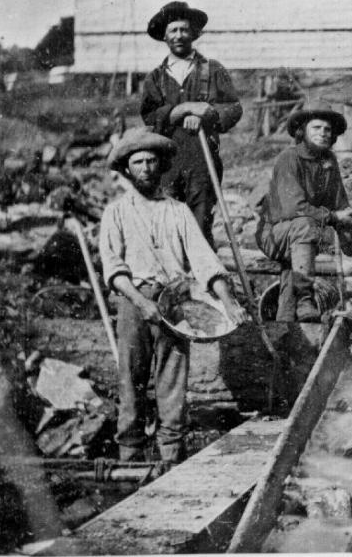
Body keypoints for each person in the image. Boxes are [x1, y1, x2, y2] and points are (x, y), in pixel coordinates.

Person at [99, 127, 249, 463]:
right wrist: (142, 303)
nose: (146, 168)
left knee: (172, 380)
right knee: (132, 378)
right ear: (127, 169)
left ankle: (171, 455)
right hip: (134, 301)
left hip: (174, 304)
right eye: (138, 162)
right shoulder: (116, 212)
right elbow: (113, 268)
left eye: (152, 161)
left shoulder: (177, 211)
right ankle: (130, 452)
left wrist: (228, 301)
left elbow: (204, 261)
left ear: (162, 165)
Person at [140, 1, 243, 247]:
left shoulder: (212, 69)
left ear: (194, 34)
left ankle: (204, 280)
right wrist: (182, 109)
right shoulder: (155, 77)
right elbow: (149, 115)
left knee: (200, 225)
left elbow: (233, 107)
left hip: (202, 159)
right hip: (166, 163)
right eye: (173, 30)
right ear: (164, 36)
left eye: (184, 30)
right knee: (167, 224)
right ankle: (174, 281)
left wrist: (207, 113)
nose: (179, 36)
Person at [255, 102, 352, 323]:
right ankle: (305, 299)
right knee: (305, 225)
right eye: (316, 128)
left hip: (300, 235)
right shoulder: (289, 159)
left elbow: (341, 207)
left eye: (327, 130)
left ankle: (285, 325)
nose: (323, 133)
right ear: (302, 131)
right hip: (274, 233)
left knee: (292, 270)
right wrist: (334, 218)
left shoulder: (329, 161)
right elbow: (294, 209)